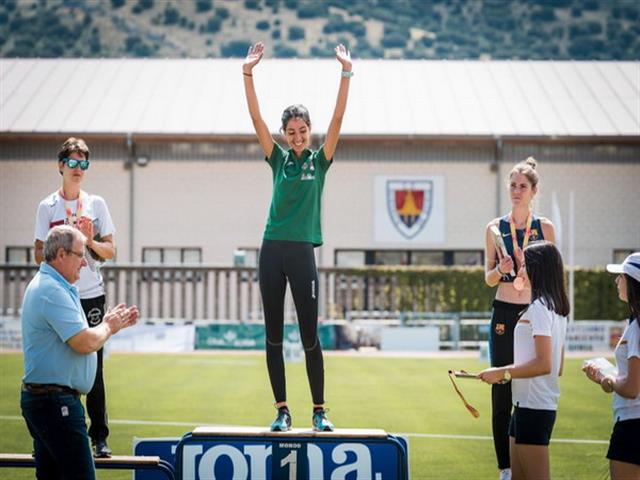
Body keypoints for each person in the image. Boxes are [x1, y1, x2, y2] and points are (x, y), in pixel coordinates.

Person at [242, 41, 352, 432]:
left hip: (302, 253)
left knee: (310, 336)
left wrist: (346, 72)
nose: (297, 137)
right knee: (273, 335)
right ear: (285, 134)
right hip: (271, 250)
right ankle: (282, 410)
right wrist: (248, 73)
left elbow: (338, 119)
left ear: (309, 131)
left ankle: (319, 411)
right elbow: (256, 119)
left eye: (302, 131)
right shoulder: (278, 158)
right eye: (291, 132)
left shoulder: (321, 162)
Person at [21, 225, 138, 480]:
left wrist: (106, 324)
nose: (85, 263)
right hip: (55, 403)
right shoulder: (52, 290)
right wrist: (108, 326)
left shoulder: (53, 286)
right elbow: (84, 343)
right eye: (80, 254)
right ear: (61, 255)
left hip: (49, 401)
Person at [33, 137, 117, 457]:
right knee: (59, 366)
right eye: (73, 162)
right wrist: (62, 243)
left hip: (90, 294)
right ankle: (58, 434)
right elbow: (38, 253)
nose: (78, 168)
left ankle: (100, 438)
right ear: (60, 166)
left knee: (93, 367)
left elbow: (110, 251)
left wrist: (90, 241)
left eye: (84, 163)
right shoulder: (47, 206)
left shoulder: (96, 204)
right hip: (57, 295)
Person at [483, 157, 556, 480]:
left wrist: (527, 269)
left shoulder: (545, 228)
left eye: (522, 186)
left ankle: (528, 456)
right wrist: (501, 269)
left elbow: (552, 274)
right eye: (512, 185)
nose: (516, 191)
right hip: (504, 311)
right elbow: (487, 277)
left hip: (533, 313)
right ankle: (505, 469)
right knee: (501, 389)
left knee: (527, 386)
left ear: (534, 191)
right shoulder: (495, 228)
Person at [479, 241, 568, 480]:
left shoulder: (540, 308)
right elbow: (558, 367)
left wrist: (502, 373)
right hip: (525, 406)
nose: (520, 271)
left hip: (534, 407)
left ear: (537, 269)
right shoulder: (556, 308)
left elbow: (544, 364)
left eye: (525, 265)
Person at [583, 252, 640, 480]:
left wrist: (605, 379)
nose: (617, 281)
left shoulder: (636, 328)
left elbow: (632, 388)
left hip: (632, 426)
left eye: (621, 277)